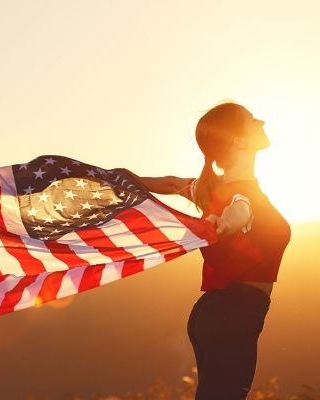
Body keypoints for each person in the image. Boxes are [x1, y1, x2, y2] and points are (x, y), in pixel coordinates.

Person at [122, 101, 291, 399]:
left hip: (217, 315)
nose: (261, 122)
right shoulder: (242, 194)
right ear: (238, 141)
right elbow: (239, 212)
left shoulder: (210, 188)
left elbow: (173, 184)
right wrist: (223, 226)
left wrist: (126, 178)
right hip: (233, 315)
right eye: (252, 120)